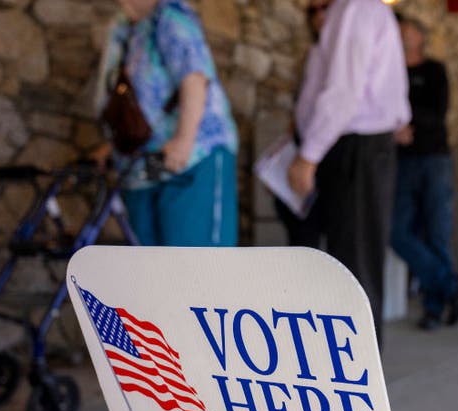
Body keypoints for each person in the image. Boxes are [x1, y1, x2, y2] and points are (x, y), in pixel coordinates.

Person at [288, 0, 410, 347]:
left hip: (357, 147)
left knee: (354, 266)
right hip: (357, 147)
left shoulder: (355, 9)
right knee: (353, 259)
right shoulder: (362, 10)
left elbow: (344, 92)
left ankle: (359, 379)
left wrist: (308, 156)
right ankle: (354, 369)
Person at [94, 0, 238, 246]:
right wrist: (114, 146)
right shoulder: (123, 27)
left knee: (195, 264)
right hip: (141, 168)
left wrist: (183, 141)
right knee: (153, 271)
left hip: (189, 161)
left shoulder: (171, 18)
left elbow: (194, 77)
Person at [391, 16, 458, 331]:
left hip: (434, 160)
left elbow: (438, 113)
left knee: (436, 231)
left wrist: (406, 123)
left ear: (421, 36)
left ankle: (433, 307)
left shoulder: (434, 69)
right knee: (396, 231)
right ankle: (450, 285)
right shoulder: (390, 71)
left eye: (408, 28)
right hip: (402, 161)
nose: (402, 32)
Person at [272, 0, 331, 249]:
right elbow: (301, 108)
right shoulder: (312, 55)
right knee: (295, 217)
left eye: (324, 7)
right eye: (312, 11)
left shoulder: (340, 54)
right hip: (304, 143)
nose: (318, 16)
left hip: (327, 148)